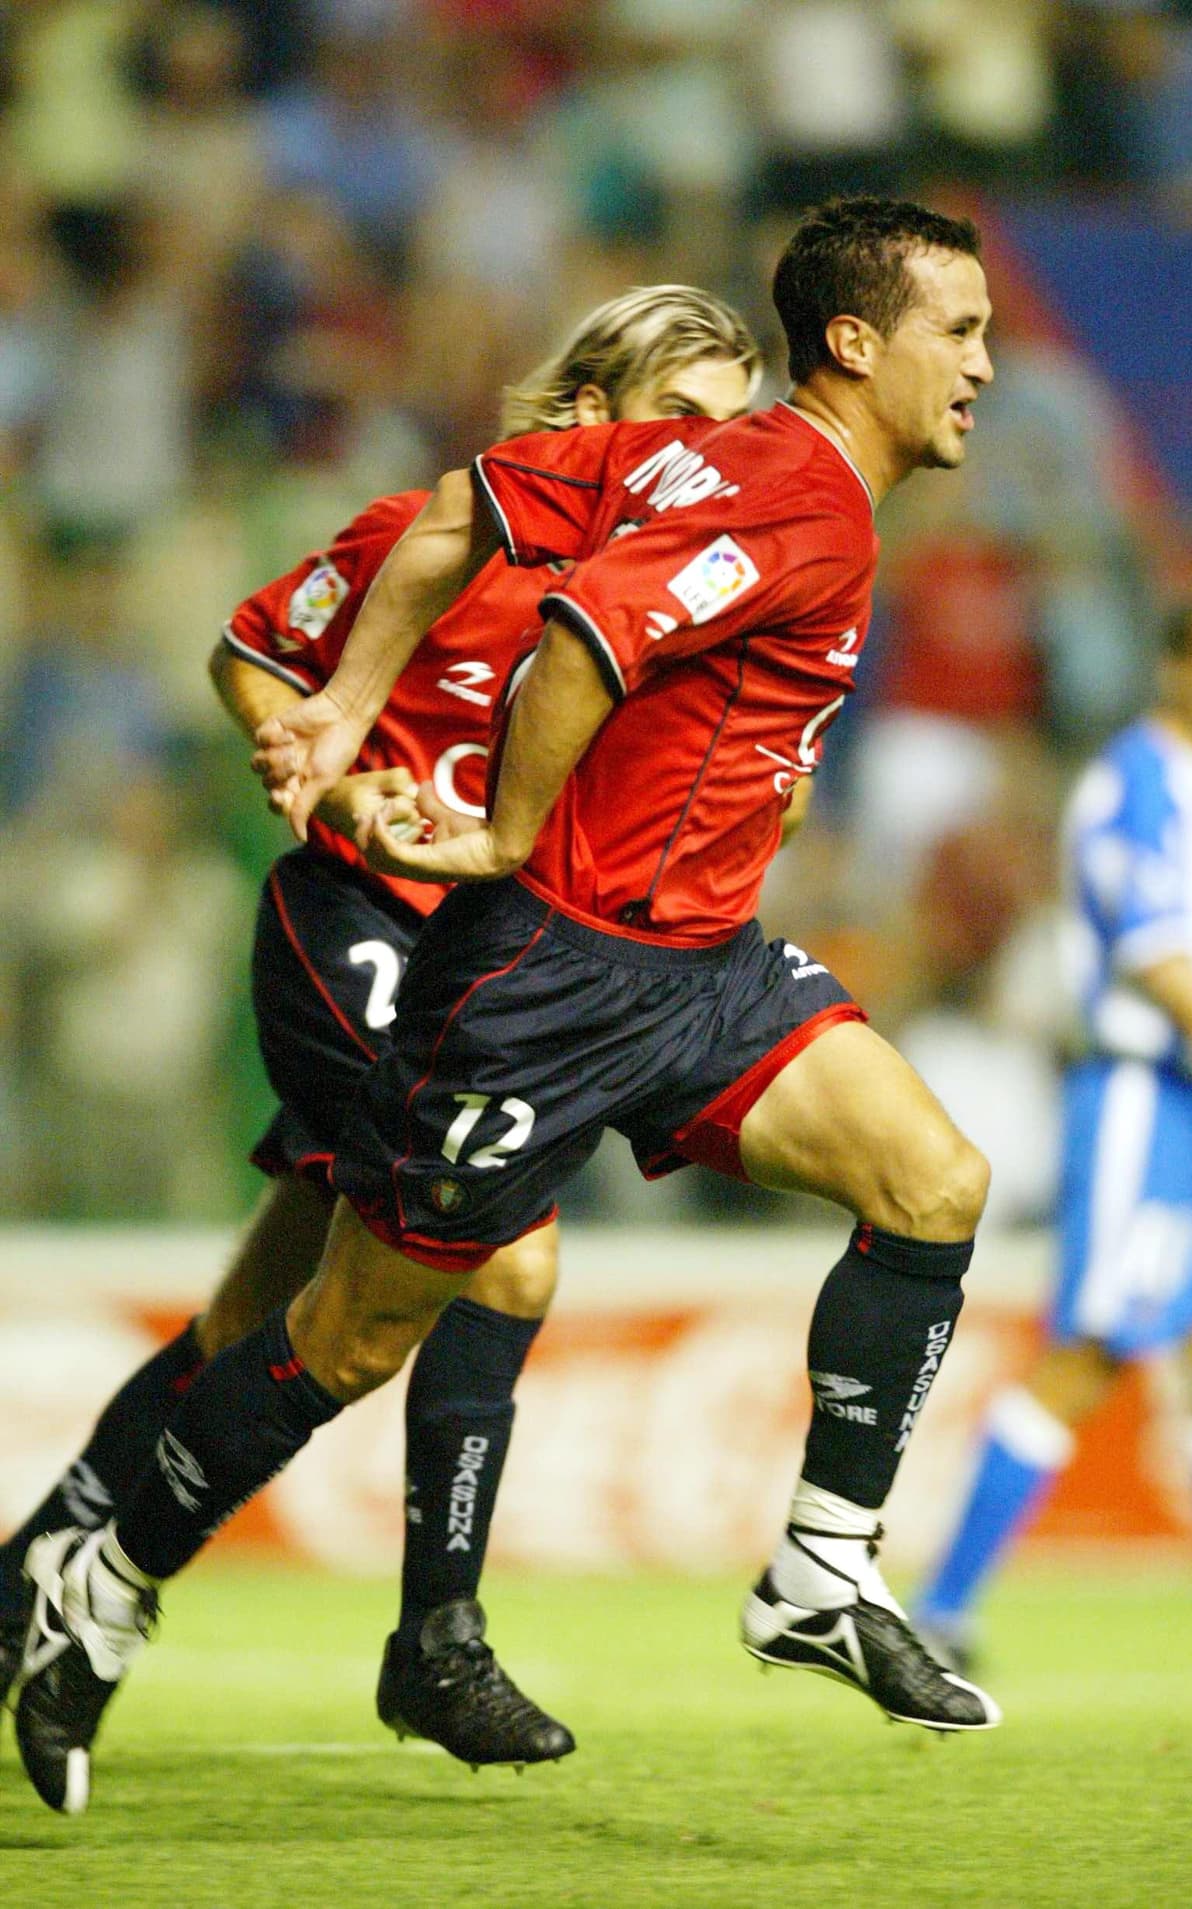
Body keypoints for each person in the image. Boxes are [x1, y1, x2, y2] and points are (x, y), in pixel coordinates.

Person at [15, 196, 1002, 1817]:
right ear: (855, 341)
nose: (980, 363)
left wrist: (344, 707)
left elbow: (456, 507)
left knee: (933, 1180)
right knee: (342, 1331)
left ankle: (822, 1567)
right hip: (549, 980)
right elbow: (582, 638)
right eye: (956, 331)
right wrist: (495, 831)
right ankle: (103, 1579)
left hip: (705, 968)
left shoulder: (691, 458)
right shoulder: (797, 497)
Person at [0, 284, 762, 1787]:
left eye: (731, 434)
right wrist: (332, 774)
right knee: (509, 1252)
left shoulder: (691, 606)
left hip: (490, 976)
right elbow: (251, 654)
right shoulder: (439, 536)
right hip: (354, 923)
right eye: (682, 420)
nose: (708, 457)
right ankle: (437, 1638)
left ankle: (31, 1577)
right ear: (591, 412)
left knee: (253, 1323)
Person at [914, 586, 1192, 1676]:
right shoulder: (1137, 781)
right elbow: (1152, 949)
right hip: (1147, 1096)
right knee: (1093, 1348)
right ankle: (940, 1605)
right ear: (1174, 668)